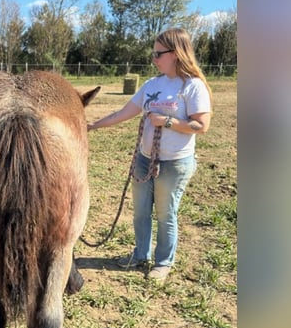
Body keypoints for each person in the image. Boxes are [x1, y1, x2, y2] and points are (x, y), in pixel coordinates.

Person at [87, 28, 212, 281]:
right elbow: (124, 113)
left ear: (175, 54)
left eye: (158, 53)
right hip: (145, 159)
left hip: (174, 163)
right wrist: (92, 125)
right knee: (141, 211)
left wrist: (166, 122)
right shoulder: (151, 85)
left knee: (166, 214)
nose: (154, 58)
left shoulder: (193, 87)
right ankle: (140, 254)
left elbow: (202, 126)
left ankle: (163, 263)